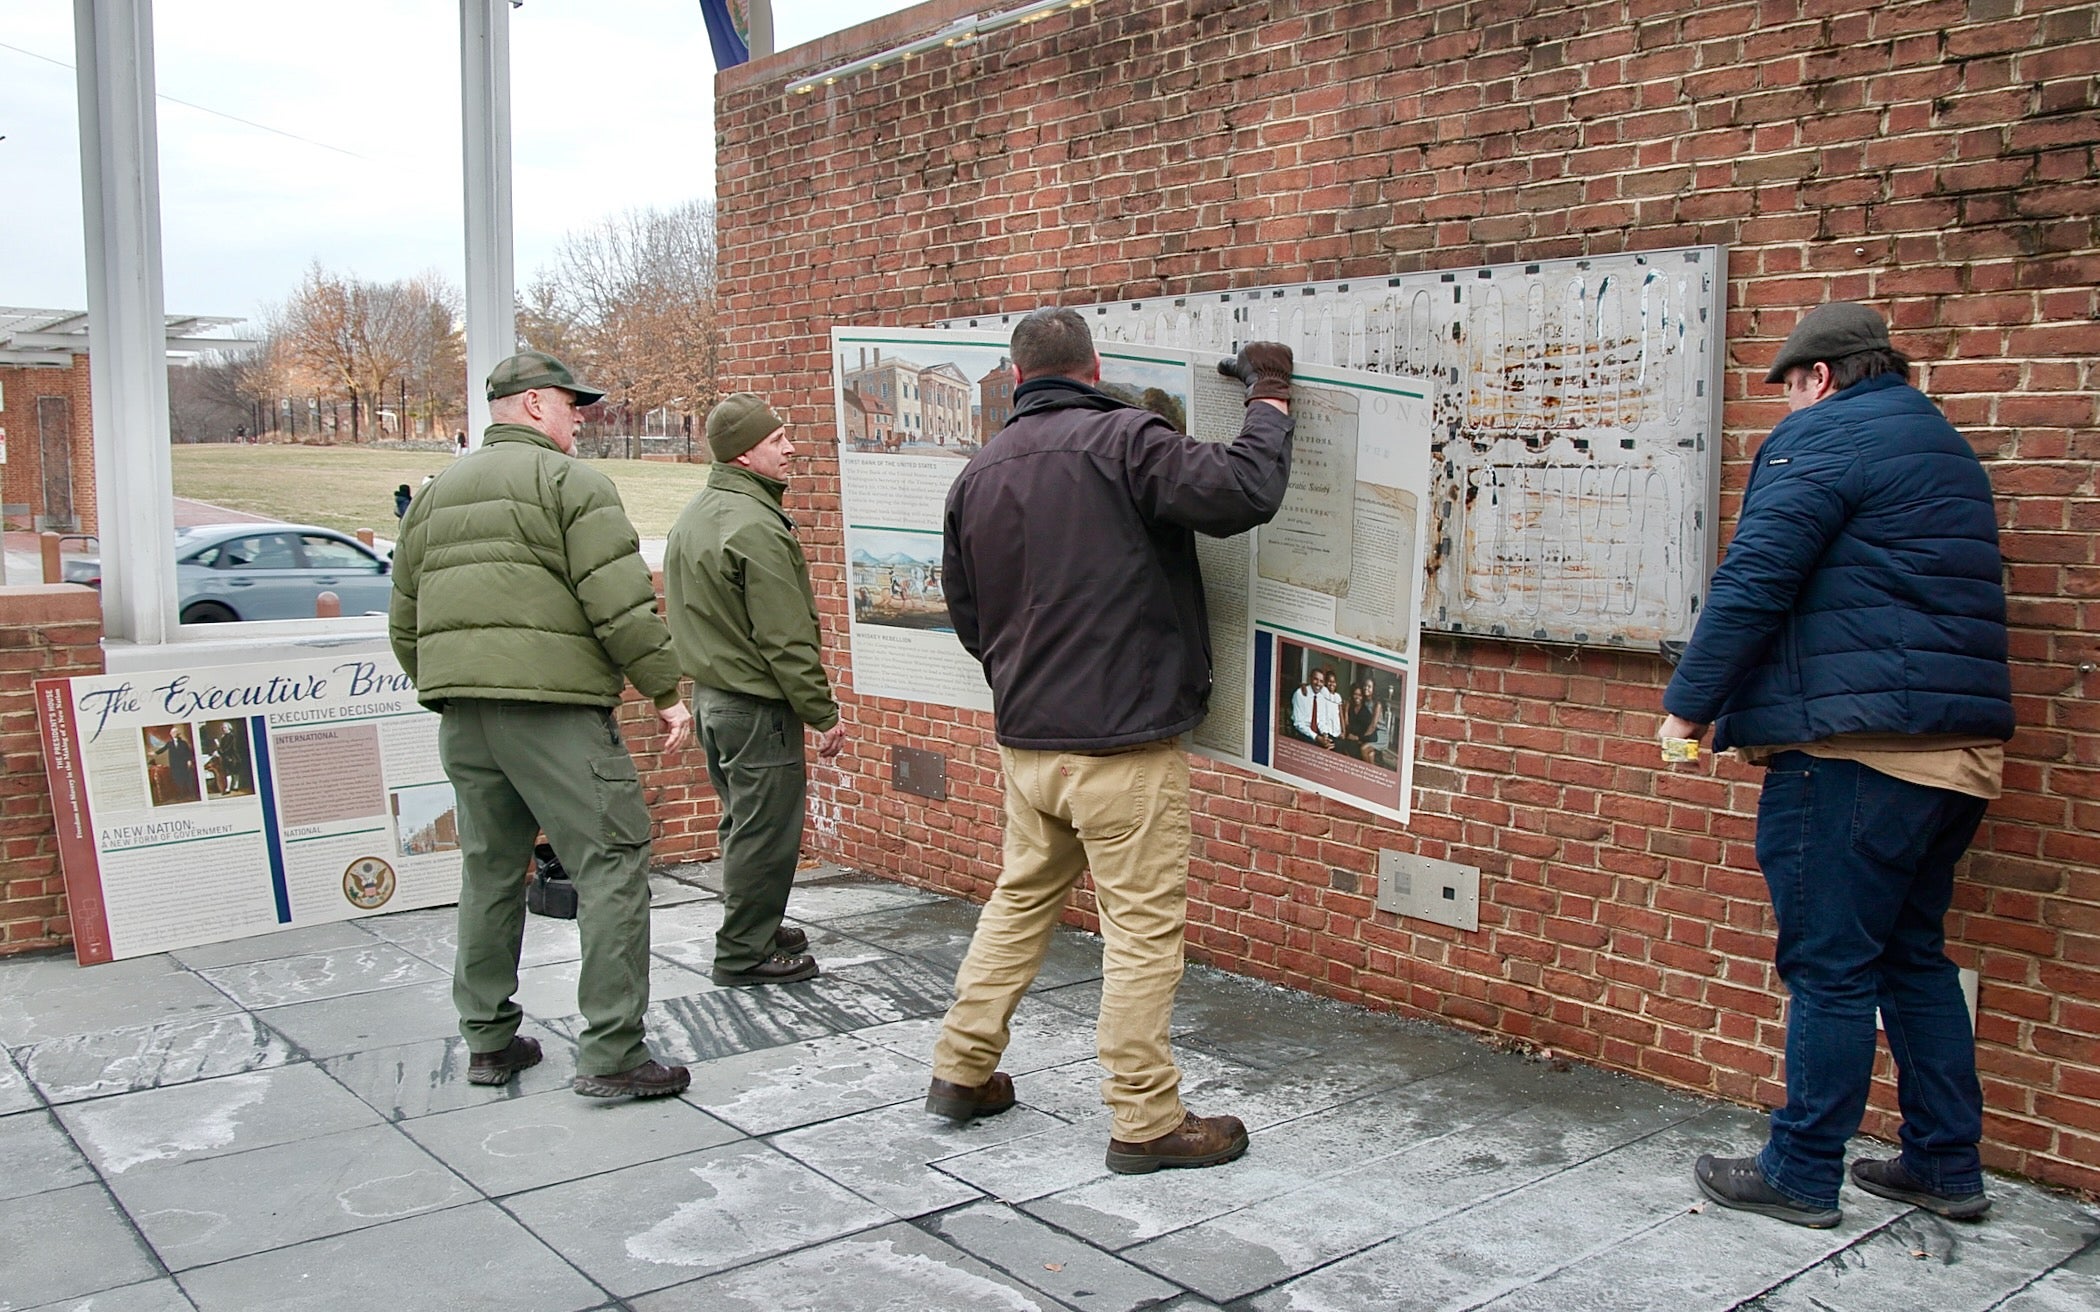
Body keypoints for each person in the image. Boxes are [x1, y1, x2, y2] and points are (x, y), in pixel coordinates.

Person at [1660, 303, 2013, 1228]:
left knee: (1830, 967)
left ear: (1818, 377)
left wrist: (1688, 708)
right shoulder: (1943, 447)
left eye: (1787, 388)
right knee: (1912, 957)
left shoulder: (1822, 440)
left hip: (1852, 752)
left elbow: (1755, 580)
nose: (1784, 406)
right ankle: (1945, 1163)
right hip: (1957, 754)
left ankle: (1801, 1170)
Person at [926, 307, 1295, 1174]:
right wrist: (1271, 393)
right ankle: (1145, 1119)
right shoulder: (1128, 441)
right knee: (1141, 935)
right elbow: (1245, 490)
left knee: (1019, 904)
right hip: (1123, 747)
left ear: (1019, 379)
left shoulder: (978, 473)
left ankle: (960, 1071)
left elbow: (968, 616)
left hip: (1029, 746)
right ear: (1094, 370)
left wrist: (1029, 684)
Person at [389, 349, 696, 1100]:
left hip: (464, 716)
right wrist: (665, 691)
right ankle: (613, 1053)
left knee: (489, 871)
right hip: (555, 715)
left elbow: (404, 618)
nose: (580, 418)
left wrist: (449, 683)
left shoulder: (435, 495)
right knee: (612, 866)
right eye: (569, 404)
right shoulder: (573, 485)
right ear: (532, 404)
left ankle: (489, 1041)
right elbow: (620, 603)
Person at [664, 393, 846, 987]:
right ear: (744, 454)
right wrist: (822, 713)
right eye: (776, 440)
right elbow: (786, 639)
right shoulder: (756, 527)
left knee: (743, 823)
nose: (790, 448)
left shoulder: (698, 514)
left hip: (713, 700)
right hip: (754, 707)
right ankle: (743, 952)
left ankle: (756, 925)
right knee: (766, 832)